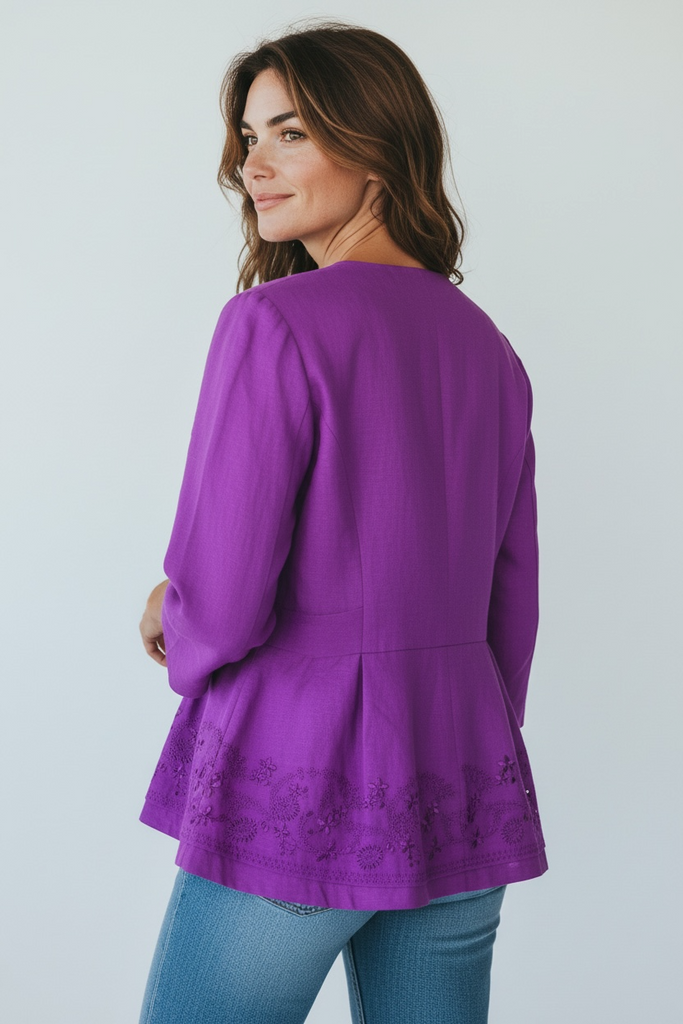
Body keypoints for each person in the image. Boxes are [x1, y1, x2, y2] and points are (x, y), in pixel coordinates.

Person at [137, 18, 548, 1024]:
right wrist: (466, 730)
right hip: (458, 772)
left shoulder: (271, 324)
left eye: (290, 133)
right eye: (249, 138)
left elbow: (223, 603)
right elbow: (511, 598)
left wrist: (172, 616)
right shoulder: (486, 347)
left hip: (304, 776)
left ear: (374, 147)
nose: (252, 166)